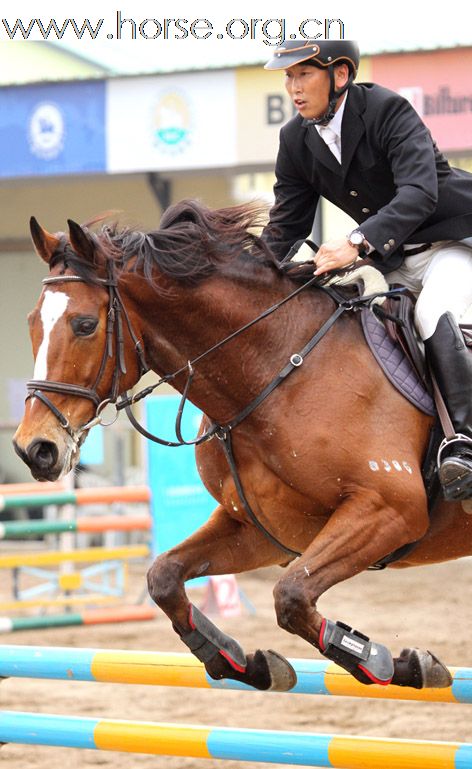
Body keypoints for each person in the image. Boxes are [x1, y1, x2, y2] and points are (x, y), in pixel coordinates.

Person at [263, 39, 472, 501]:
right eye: (288, 77)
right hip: (396, 259)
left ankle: (465, 442)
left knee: (435, 311)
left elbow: (420, 193)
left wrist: (355, 243)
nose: (293, 88)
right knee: (366, 335)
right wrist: (249, 274)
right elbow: (287, 224)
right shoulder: (295, 139)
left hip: (453, 240)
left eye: (303, 75)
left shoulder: (387, 110)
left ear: (339, 76)